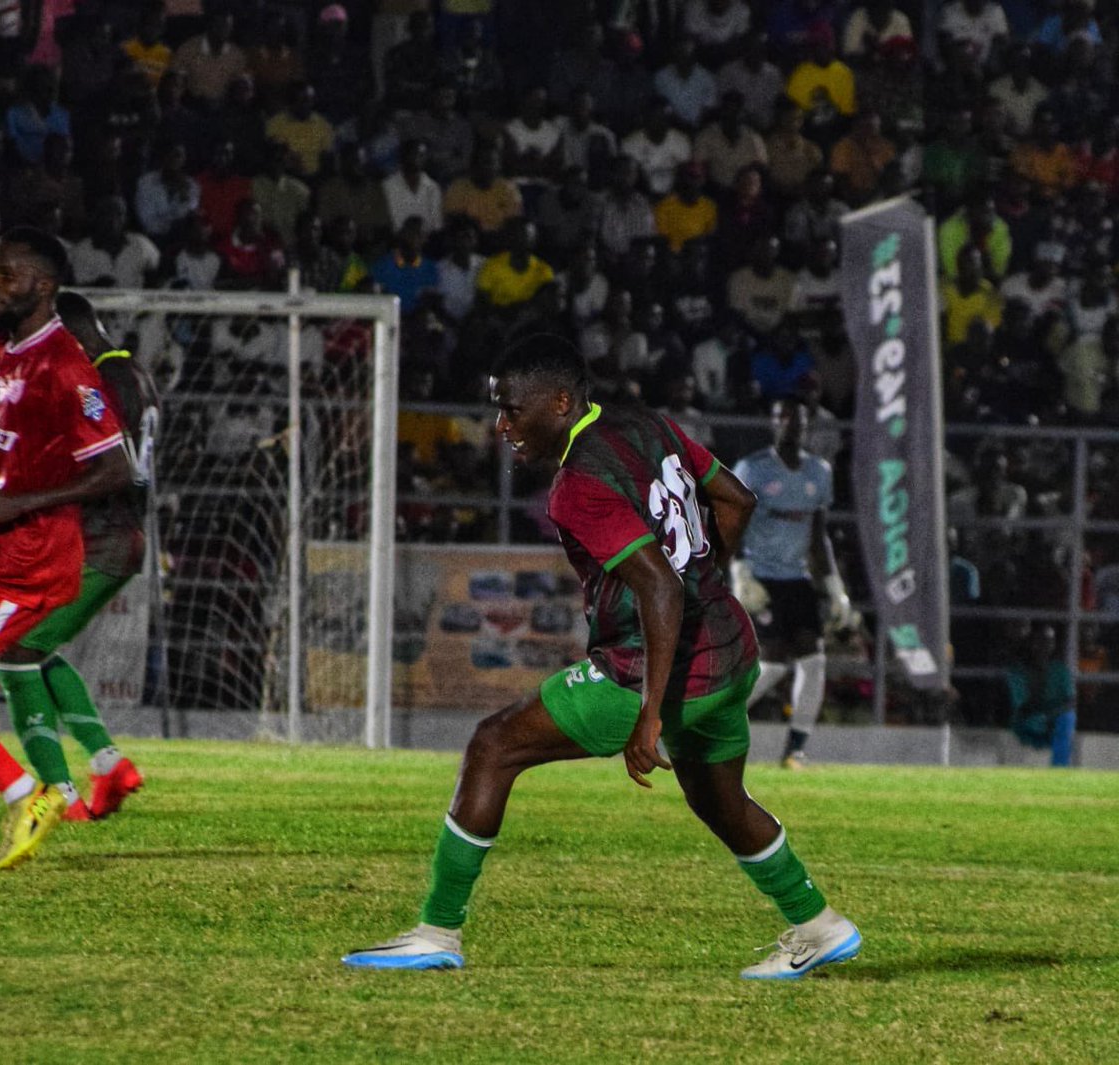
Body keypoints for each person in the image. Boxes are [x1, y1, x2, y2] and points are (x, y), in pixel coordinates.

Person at [341, 335, 860, 978]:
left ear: (560, 402)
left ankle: (435, 932)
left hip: (652, 669)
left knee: (493, 746)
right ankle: (819, 925)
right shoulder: (648, 424)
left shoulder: (578, 483)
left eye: (512, 410)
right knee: (720, 800)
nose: (501, 426)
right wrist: (706, 578)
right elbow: (736, 499)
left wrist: (649, 713)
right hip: (730, 650)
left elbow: (660, 588)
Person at [0, 227, 130, 869]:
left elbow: (116, 469)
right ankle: (24, 791)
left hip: (24, 561)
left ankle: (32, 789)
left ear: (43, 285)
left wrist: (19, 504)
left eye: (4, 275)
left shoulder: (66, 366)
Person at [0, 292, 156, 822]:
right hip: (118, 535)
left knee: (14, 649)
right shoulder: (136, 375)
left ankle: (59, 792)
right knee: (32, 646)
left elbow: (104, 467)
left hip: (100, 538)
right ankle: (108, 764)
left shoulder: (99, 382)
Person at [730, 397, 852, 770]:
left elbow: (818, 534)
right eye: (782, 417)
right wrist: (739, 573)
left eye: (796, 419)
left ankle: (795, 750)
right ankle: (715, 716)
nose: (789, 425)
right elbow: (731, 522)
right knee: (773, 665)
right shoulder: (753, 468)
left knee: (814, 661)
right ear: (773, 422)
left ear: (806, 425)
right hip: (761, 576)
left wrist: (834, 586)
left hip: (797, 578)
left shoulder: (819, 471)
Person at [1006, 623, 1076, 767]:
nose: (1044, 646)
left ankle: (1060, 769)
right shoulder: (1018, 670)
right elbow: (1019, 705)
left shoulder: (1060, 670)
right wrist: (1035, 717)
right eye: (1040, 641)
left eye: (1049, 642)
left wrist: (1048, 716)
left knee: (1067, 718)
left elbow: (1070, 701)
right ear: (1031, 643)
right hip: (1026, 720)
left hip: (1052, 720)